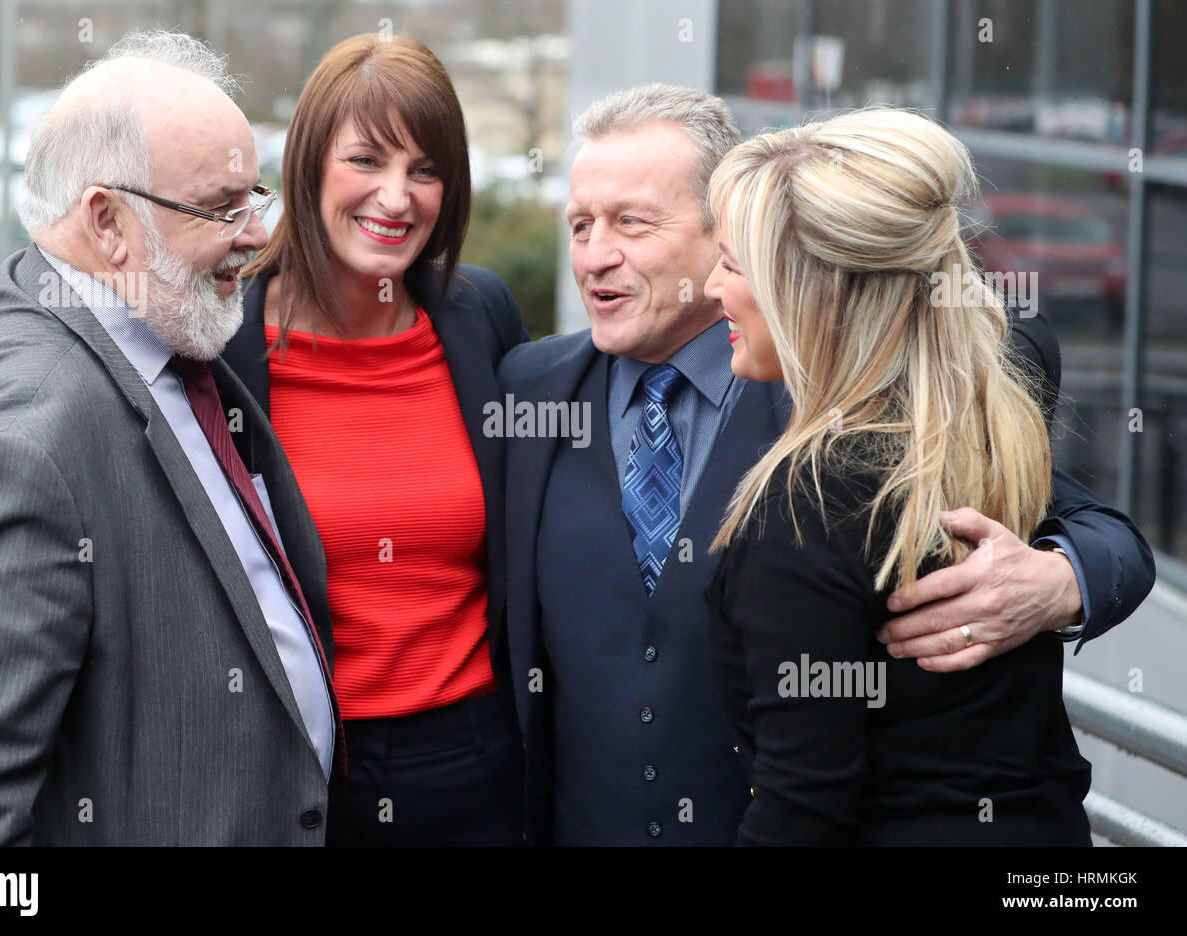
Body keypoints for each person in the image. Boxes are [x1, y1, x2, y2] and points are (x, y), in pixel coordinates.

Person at [498, 85, 1155, 846]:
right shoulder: (529, 390)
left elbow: (1103, 533)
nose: (593, 254)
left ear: (726, 233)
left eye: (631, 223)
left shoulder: (872, 400)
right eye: (579, 224)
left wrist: (1056, 581)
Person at [0, 31, 341, 845]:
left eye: (255, 198)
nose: (254, 236)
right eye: (221, 207)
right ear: (105, 219)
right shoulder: (23, 439)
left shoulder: (152, 328)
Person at [702, 107, 1112, 845]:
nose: (709, 287)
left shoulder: (805, 507)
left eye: (732, 264)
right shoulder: (996, 398)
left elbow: (801, 813)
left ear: (808, 292)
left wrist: (1069, 579)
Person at [224, 33, 527, 846]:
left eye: (425, 171)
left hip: (474, 764)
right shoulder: (224, 345)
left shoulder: (479, 317)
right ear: (309, 165)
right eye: (367, 160)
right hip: (297, 765)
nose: (397, 197)